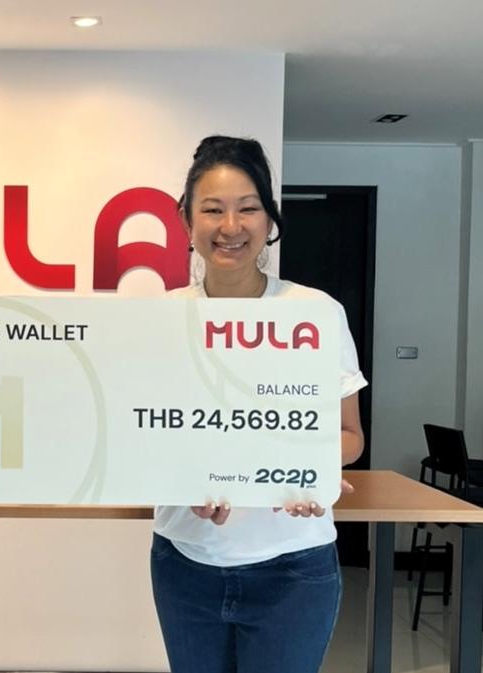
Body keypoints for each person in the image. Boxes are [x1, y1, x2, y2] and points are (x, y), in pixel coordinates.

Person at [151, 135, 366, 673]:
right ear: (186, 219)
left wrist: (305, 469)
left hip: (294, 568)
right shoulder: (158, 319)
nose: (231, 226)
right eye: (212, 209)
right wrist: (185, 481)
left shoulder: (314, 312)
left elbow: (349, 437)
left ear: (269, 218)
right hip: (185, 562)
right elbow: (143, 436)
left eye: (248, 208)